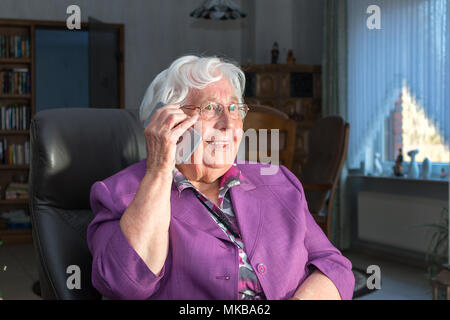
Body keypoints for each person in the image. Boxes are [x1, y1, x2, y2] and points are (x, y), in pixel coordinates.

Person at [87, 55, 355, 300]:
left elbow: (334, 266)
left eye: (235, 108)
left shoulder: (277, 180)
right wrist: (159, 171)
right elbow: (124, 284)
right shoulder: (120, 193)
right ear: (168, 120)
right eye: (211, 108)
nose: (228, 123)